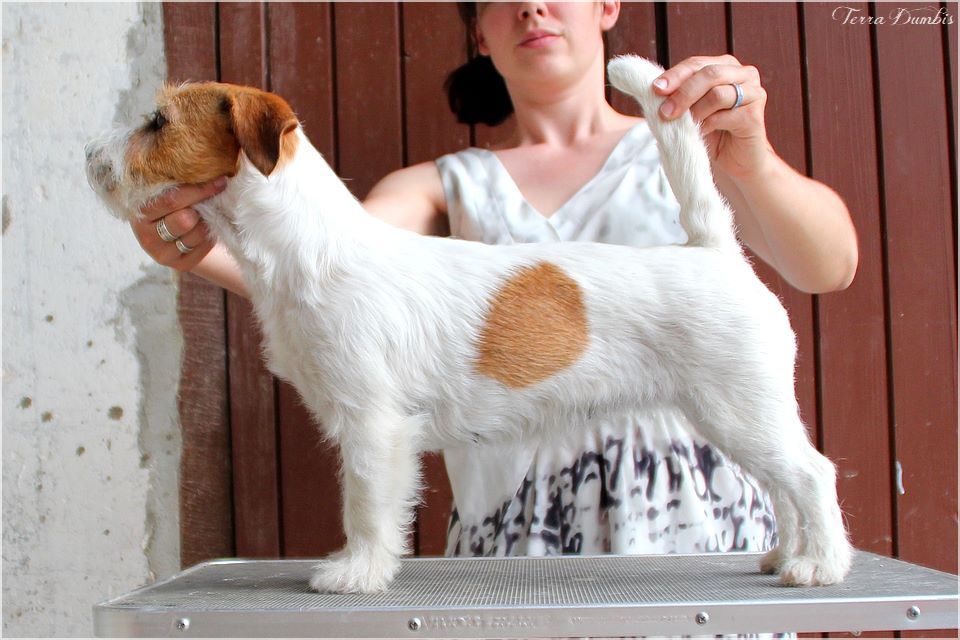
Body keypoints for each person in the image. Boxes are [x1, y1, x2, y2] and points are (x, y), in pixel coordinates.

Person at [133, 2, 857, 562]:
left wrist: (753, 160)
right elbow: (331, 280)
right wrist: (197, 247)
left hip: (701, 539)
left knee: (767, 442)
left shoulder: (711, 150)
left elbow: (829, 266)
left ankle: (815, 529)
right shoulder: (440, 183)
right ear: (480, 33)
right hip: (513, 543)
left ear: (607, 5)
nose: (531, 6)